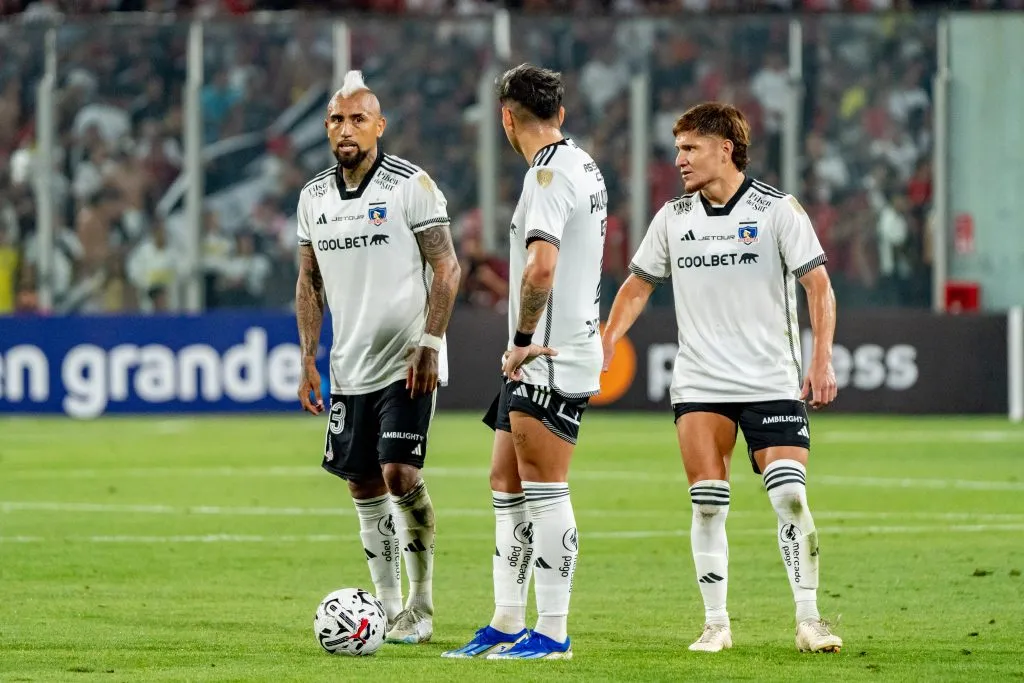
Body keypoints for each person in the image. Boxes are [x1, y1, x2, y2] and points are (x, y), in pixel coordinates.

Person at [602, 102, 842, 654]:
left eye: (690, 148)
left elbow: (819, 286)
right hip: (701, 383)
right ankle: (716, 624)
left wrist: (822, 358)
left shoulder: (777, 210)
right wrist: (608, 339)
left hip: (770, 381)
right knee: (708, 502)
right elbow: (638, 285)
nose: (679, 160)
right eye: (678, 149)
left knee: (790, 498)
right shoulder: (673, 217)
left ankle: (809, 620)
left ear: (725, 148)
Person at [442, 63, 607, 661]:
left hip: (547, 355)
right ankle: (508, 619)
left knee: (544, 489)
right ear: (559, 113)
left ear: (506, 119)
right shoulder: (583, 163)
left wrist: (520, 338)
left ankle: (553, 631)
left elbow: (541, 267)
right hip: (554, 349)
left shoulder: (546, 177)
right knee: (505, 481)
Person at [294, 70, 460, 645]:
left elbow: (447, 267)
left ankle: (421, 603)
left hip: (406, 361)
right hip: (348, 367)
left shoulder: (411, 185)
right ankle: (386, 610)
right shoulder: (313, 197)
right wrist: (308, 358)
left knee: (399, 472)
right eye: (337, 119)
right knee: (362, 485)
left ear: (379, 126)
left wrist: (431, 343)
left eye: (358, 119)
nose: (347, 129)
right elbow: (309, 280)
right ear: (327, 127)